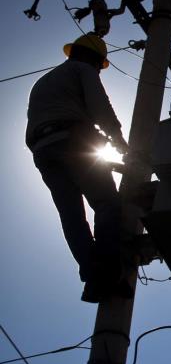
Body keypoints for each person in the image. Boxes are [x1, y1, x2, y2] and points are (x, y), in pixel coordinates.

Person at [26, 34, 130, 303]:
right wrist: (119, 142)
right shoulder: (83, 70)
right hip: (72, 139)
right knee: (108, 204)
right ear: (95, 59)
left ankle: (93, 275)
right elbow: (100, 107)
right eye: (99, 66)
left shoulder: (44, 82)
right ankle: (108, 272)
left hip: (43, 150)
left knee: (71, 216)